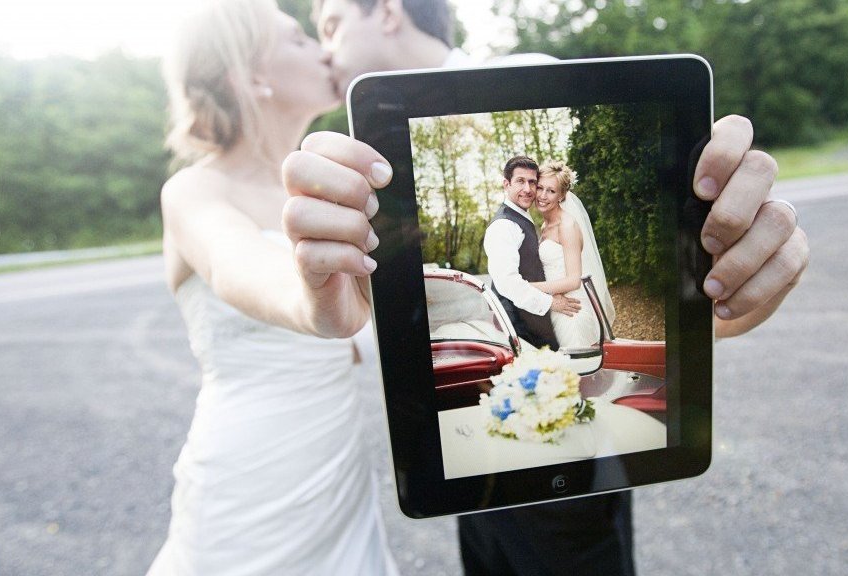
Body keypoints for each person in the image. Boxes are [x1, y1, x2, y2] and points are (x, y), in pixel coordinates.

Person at [284, 1, 809, 574]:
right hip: (500, 431)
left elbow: (524, 281)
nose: (326, 48)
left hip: (570, 470)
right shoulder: (437, 201)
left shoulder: (528, 73)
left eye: (331, 24)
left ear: (387, 11)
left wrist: (722, 302)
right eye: (527, 183)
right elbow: (504, 285)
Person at [148, 1, 396, 574]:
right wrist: (315, 303)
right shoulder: (193, 193)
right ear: (251, 74)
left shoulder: (335, 187)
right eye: (296, 39)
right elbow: (243, 266)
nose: (322, 47)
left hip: (339, 472)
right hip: (253, 478)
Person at [483, 156, 578, 352]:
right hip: (518, 329)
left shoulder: (523, 218)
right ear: (506, 184)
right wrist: (552, 302)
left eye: (532, 182)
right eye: (520, 181)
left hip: (534, 324)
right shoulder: (503, 226)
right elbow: (508, 284)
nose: (527, 189)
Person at [529, 160, 615, 349]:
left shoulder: (567, 225)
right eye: (540, 188)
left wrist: (529, 287)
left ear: (562, 195)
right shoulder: (545, 225)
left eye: (551, 191)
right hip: (556, 305)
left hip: (571, 310)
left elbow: (573, 281)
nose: (542, 196)